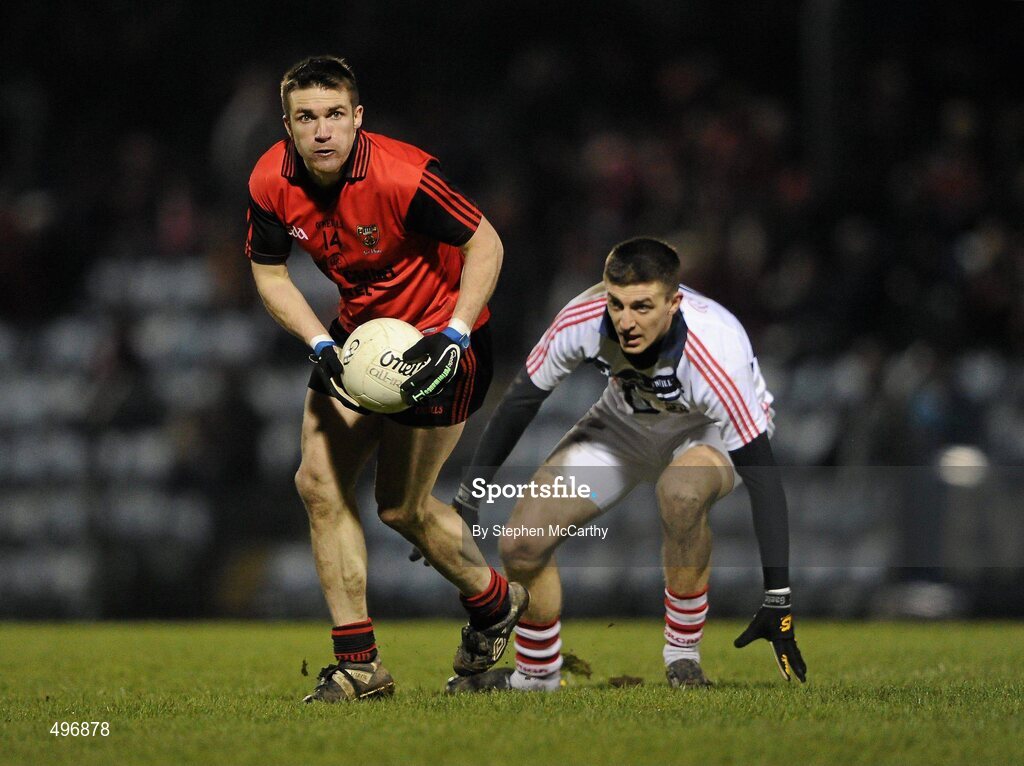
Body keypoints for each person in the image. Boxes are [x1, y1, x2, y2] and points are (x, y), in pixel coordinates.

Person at [245, 55, 528, 702]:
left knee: (400, 507)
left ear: (358, 119)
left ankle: (492, 603)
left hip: (437, 343)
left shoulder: (404, 176)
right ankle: (360, 665)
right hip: (357, 337)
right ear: (287, 126)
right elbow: (269, 272)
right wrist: (318, 340)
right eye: (307, 118)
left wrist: (454, 334)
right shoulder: (268, 181)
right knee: (316, 482)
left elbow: (486, 244)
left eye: (335, 116)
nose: (322, 132)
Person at [444, 237, 806, 693]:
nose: (626, 321)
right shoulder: (581, 318)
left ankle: (683, 658)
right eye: (616, 304)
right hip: (625, 423)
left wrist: (778, 598)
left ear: (675, 302)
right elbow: (520, 402)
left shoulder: (718, 352)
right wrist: (469, 497)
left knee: (680, 490)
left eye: (642, 306)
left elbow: (764, 479)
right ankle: (536, 676)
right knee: (521, 543)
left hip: (704, 429)